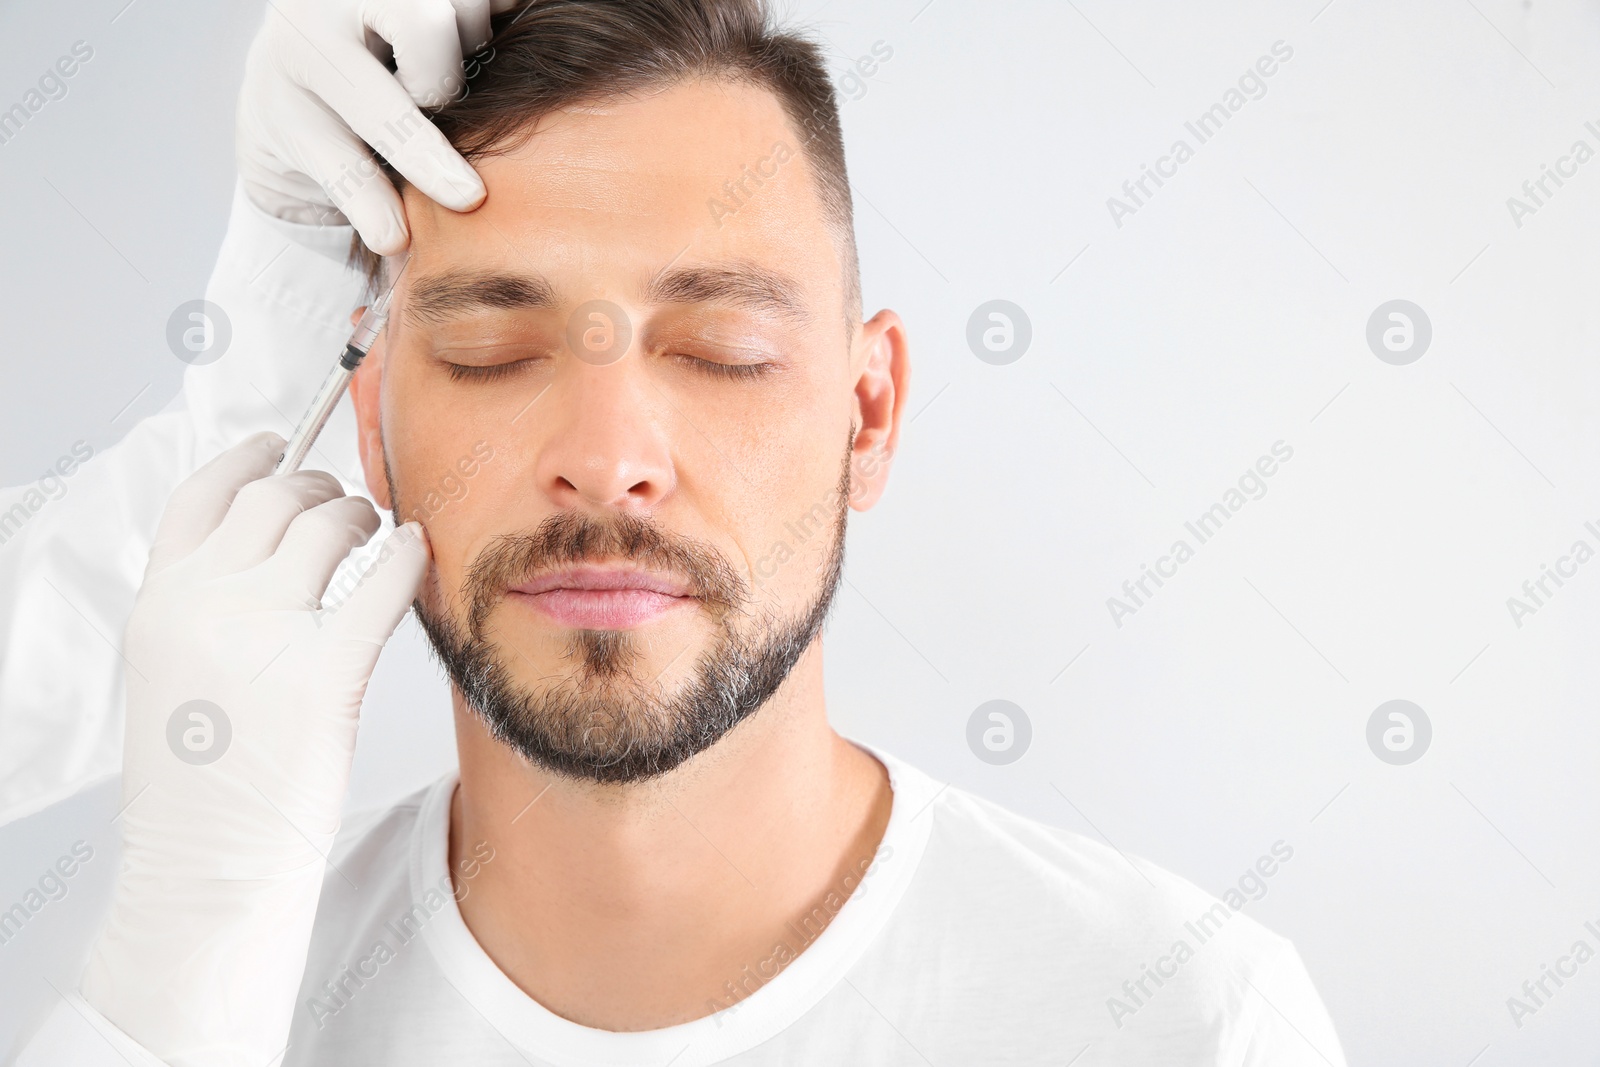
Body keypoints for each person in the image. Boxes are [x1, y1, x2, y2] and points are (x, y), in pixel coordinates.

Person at [13, 1, 1349, 1064]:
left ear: (868, 414)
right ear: (372, 431)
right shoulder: (194, 1005)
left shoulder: (1182, 1024)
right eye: (488, 347)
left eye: (722, 347)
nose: (606, 462)